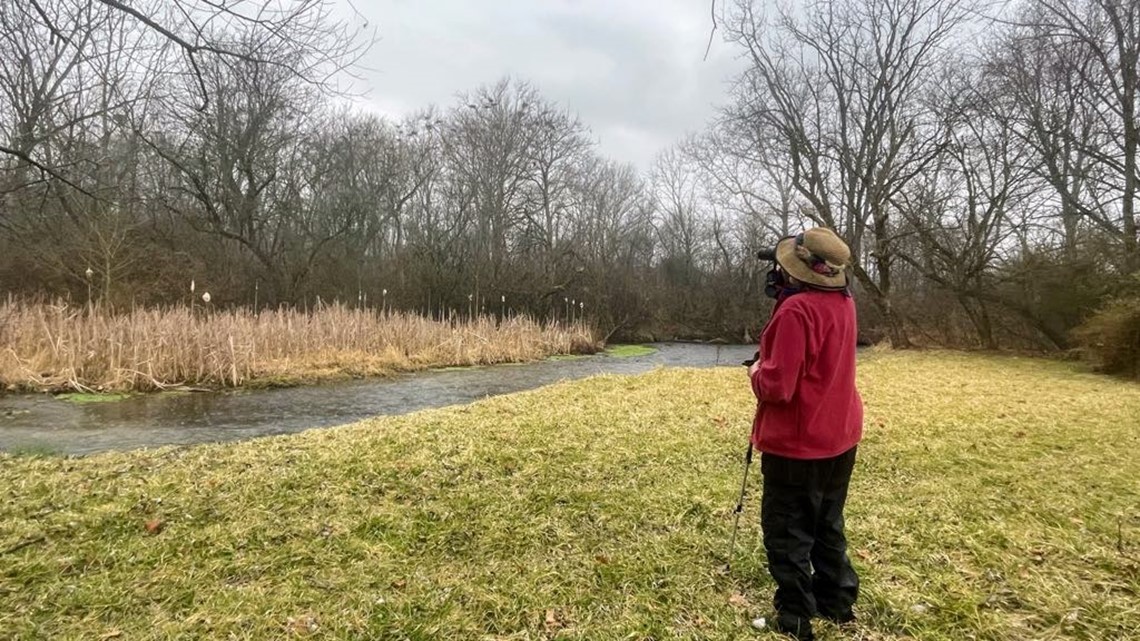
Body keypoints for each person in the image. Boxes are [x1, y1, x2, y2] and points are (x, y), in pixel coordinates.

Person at [747, 227, 863, 641]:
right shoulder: (844, 302)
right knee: (827, 522)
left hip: (799, 444)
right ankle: (837, 601)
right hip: (840, 433)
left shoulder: (796, 311)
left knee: (788, 531)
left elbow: (778, 387)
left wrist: (756, 372)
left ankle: (794, 618)